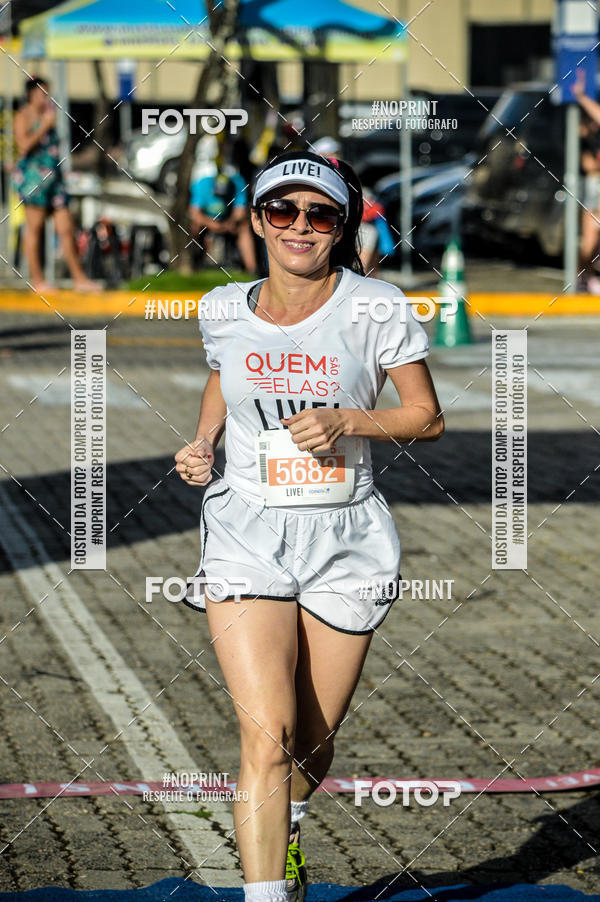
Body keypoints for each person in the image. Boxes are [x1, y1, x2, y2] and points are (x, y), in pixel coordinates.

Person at [175, 150, 444, 902]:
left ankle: (288, 820)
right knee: (265, 739)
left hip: (345, 536)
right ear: (256, 219)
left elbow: (428, 417)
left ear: (342, 224)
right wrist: (203, 444)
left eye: (319, 214)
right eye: (282, 211)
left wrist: (349, 420)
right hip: (246, 531)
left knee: (311, 748)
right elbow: (224, 376)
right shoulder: (223, 306)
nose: (300, 227)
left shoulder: (376, 305)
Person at [12, 76, 98, 293]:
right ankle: (38, 280)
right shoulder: (24, 115)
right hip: (34, 180)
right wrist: (44, 126)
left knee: (66, 227)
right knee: (35, 228)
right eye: (42, 93)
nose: (46, 98)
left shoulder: (48, 115)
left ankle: (79, 278)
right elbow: (23, 145)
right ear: (31, 94)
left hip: (55, 179)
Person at [189, 162, 257, 273]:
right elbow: (194, 213)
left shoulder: (238, 184)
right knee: (194, 225)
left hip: (228, 220)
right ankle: (194, 265)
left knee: (244, 227)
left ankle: (252, 270)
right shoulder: (202, 184)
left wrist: (229, 223)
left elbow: (240, 212)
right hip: (207, 221)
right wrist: (211, 224)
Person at [571, 68, 600, 291]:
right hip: (595, 187)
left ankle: (585, 276)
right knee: (590, 236)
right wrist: (581, 97)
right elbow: (589, 166)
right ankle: (583, 276)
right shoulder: (585, 140)